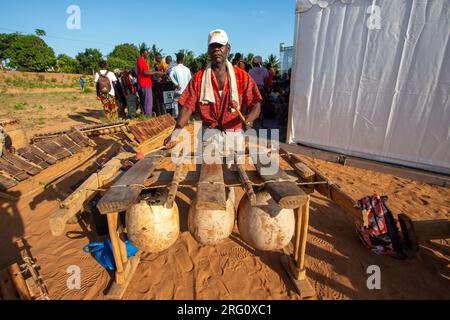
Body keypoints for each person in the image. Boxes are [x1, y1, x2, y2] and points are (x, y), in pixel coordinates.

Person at [165, 29, 262, 150]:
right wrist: (175, 134)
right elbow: (187, 107)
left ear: (228, 48)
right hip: (209, 134)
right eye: (213, 46)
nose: (217, 49)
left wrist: (248, 119)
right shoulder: (199, 78)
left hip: (235, 134)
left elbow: (256, 105)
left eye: (220, 46)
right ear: (208, 50)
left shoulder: (242, 77)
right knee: (208, 168)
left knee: (234, 167)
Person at [136, 49, 163, 117]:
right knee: (148, 102)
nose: (148, 54)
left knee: (148, 102)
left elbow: (146, 72)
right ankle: (148, 117)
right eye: (146, 53)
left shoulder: (143, 61)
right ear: (142, 54)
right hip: (145, 84)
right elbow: (145, 72)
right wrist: (157, 72)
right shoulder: (140, 60)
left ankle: (147, 116)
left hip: (147, 83)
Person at [169, 52, 192, 117]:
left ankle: (177, 117)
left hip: (178, 90)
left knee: (175, 102)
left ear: (176, 59)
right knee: (185, 104)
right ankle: (185, 118)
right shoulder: (187, 69)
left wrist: (176, 84)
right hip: (186, 91)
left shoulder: (174, 68)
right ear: (183, 59)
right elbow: (190, 80)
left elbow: (170, 76)